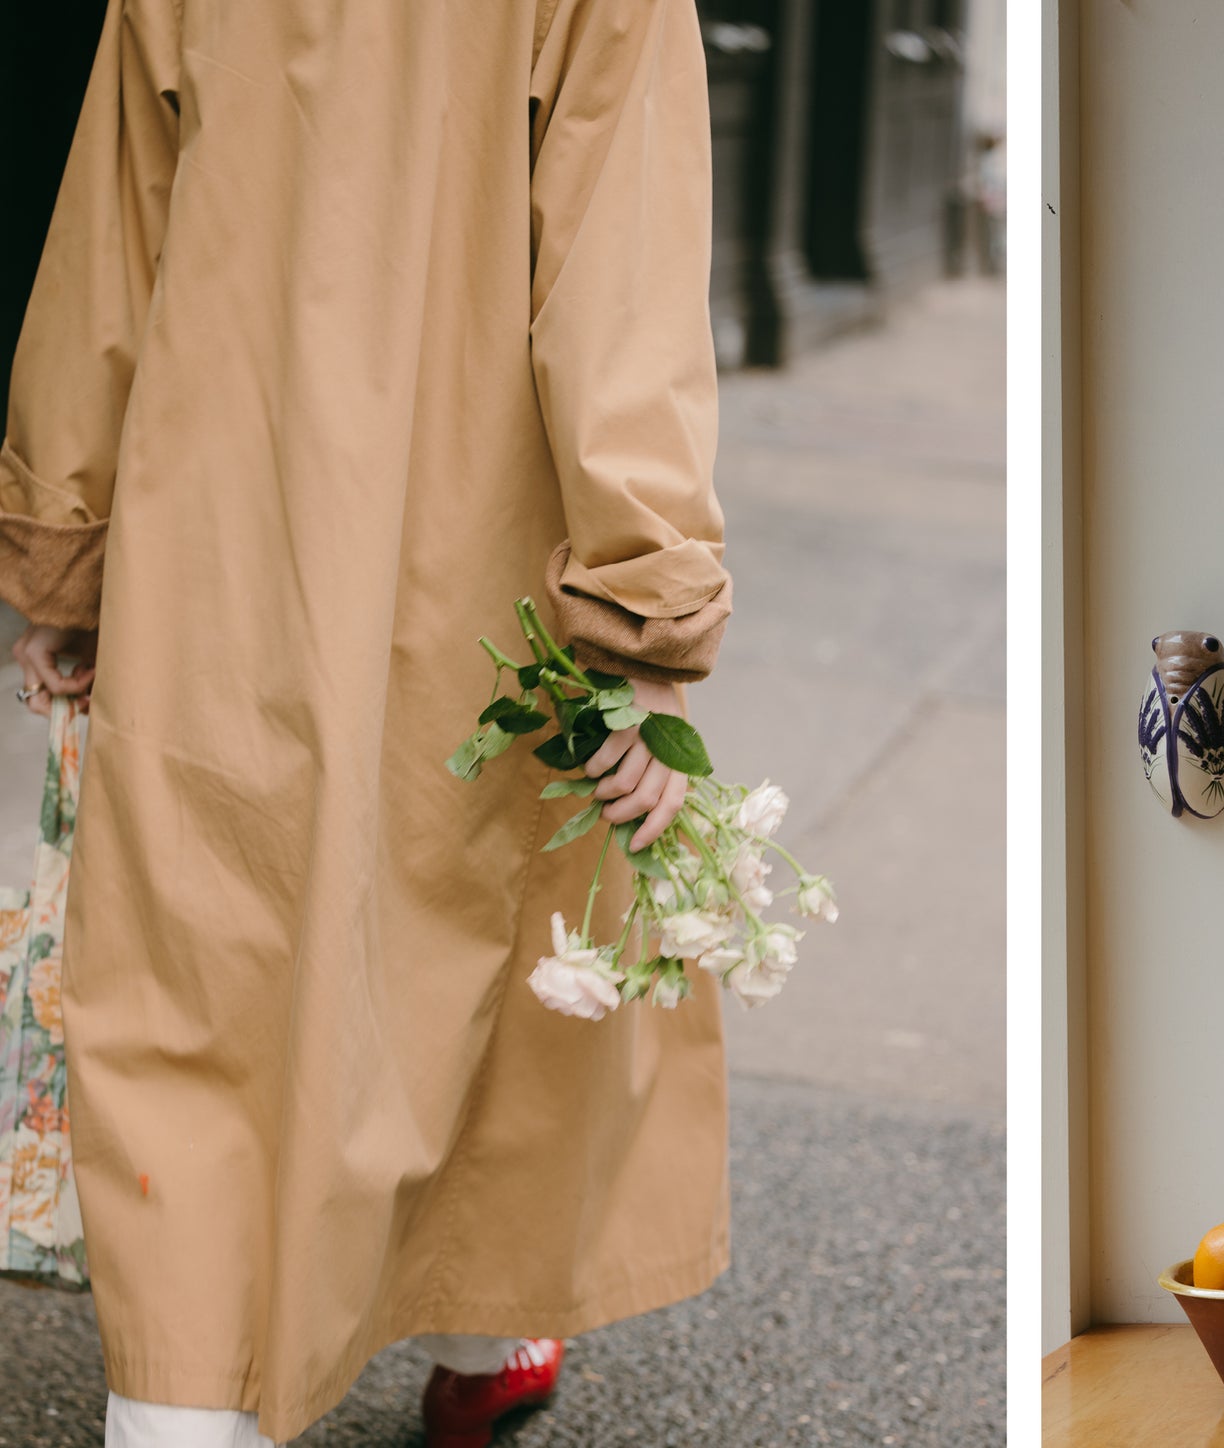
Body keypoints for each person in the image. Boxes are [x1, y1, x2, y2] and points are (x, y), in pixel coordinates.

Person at [1, 0, 733, 1443]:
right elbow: (618, 284)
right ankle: (481, 1324)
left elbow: (113, 242)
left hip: (214, 528)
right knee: (464, 953)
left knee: (193, 989)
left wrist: (69, 554)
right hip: (473, 542)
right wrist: (645, 613)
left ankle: (176, 1413)